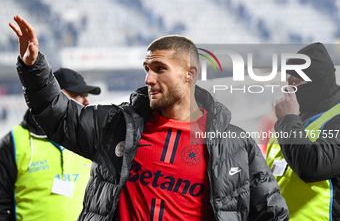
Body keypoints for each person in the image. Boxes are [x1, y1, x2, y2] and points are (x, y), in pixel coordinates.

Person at [9, 15, 289, 220]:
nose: (148, 78)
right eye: (146, 68)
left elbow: (272, 213)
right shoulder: (117, 126)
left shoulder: (235, 144)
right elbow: (60, 117)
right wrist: (33, 68)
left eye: (159, 68)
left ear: (189, 74)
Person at [0, 66, 101, 221]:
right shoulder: (14, 142)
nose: (87, 102)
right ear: (53, 96)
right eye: (79, 95)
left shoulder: (93, 141)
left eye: (86, 95)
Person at [266, 42, 340, 220]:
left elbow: (312, 166)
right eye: (287, 82)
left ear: (317, 81)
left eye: (294, 82)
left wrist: (286, 120)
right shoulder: (293, 120)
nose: (288, 90)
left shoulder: (290, 120)